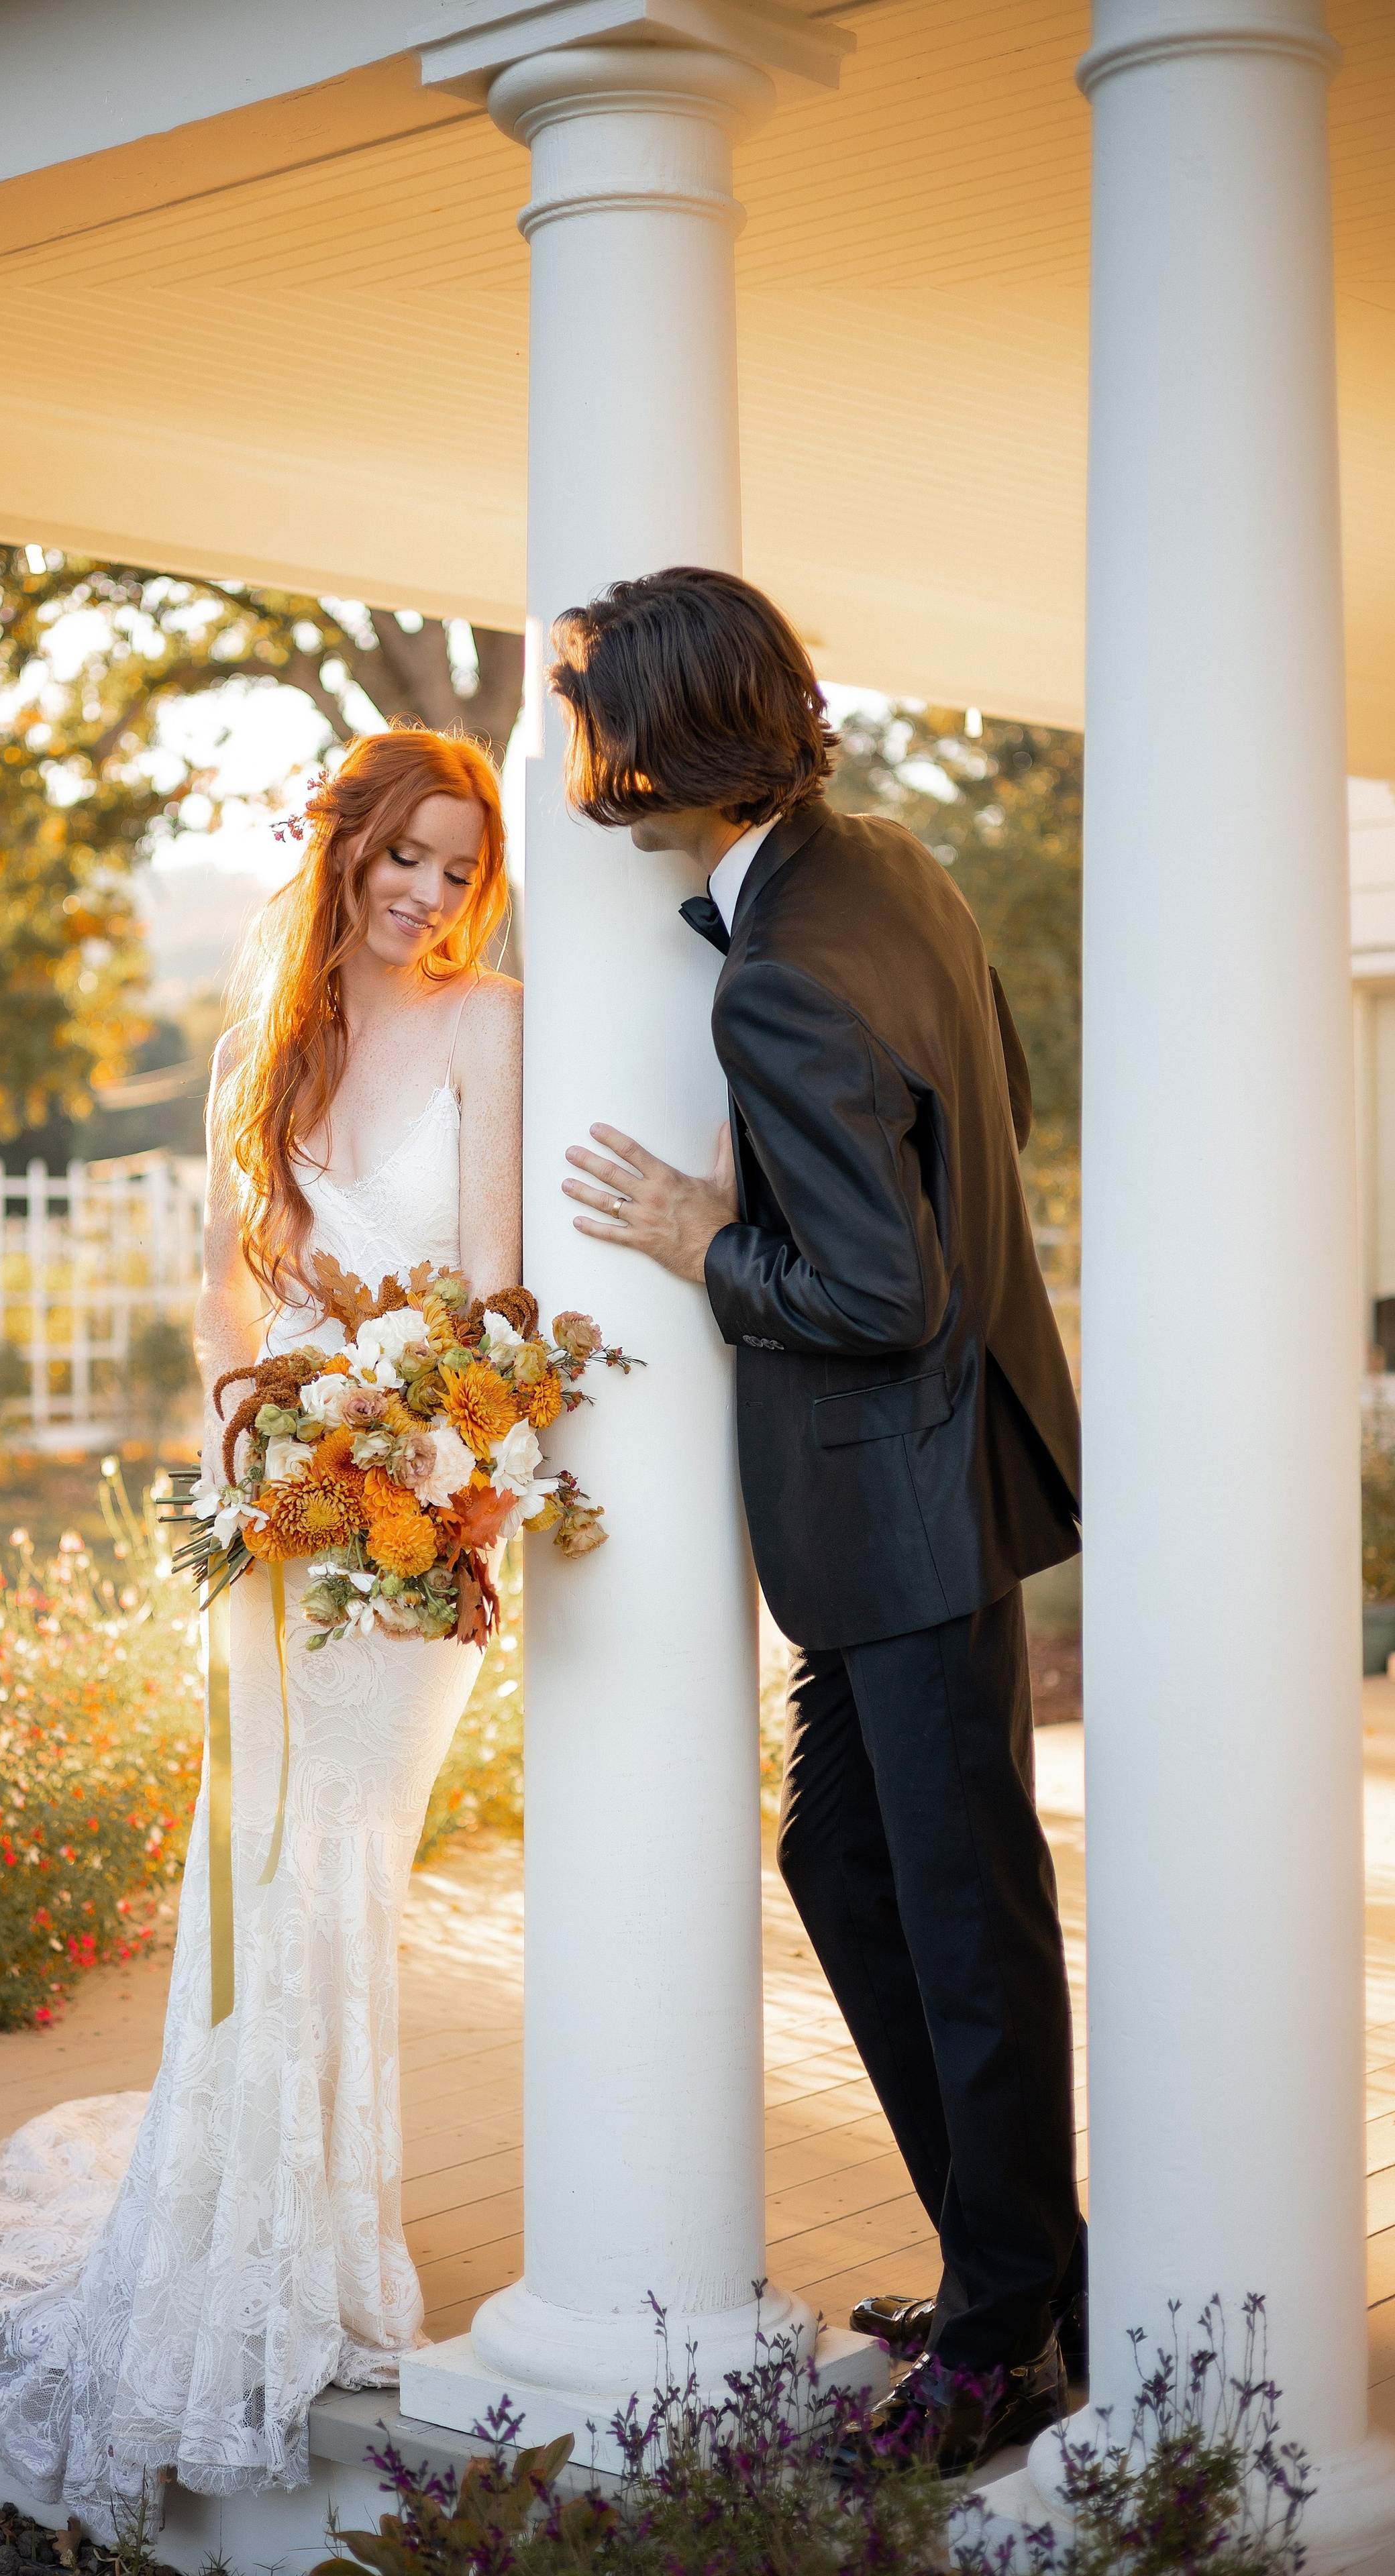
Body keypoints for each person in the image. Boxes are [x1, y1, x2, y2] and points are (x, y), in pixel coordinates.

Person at [0, 727, 522, 2529]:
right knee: (262, 1860)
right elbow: (224, 1306)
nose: (426, 892)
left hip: (415, 1516)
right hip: (274, 1517)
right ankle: (256, 2238)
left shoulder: (489, 1023)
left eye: (459, 867)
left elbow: (488, 1302)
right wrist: (250, 1472)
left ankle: (319, 2246)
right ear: (345, 853)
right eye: (404, 854)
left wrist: (420, 1459)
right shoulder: (267, 1046)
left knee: (346, 1853)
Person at [550, 566, 1084, 2475]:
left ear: (659, 737)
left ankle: (1008, 2338)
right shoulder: (900, 869)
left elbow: (875, 1292)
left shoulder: (781, 971)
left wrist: (709, 1237)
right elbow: (988, 1106)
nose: (570, 739)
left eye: (582, 704)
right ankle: (1035, 2281)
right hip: (950, 1484)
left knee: (954, 1915)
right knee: (867, 1874)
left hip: (901, 1494)